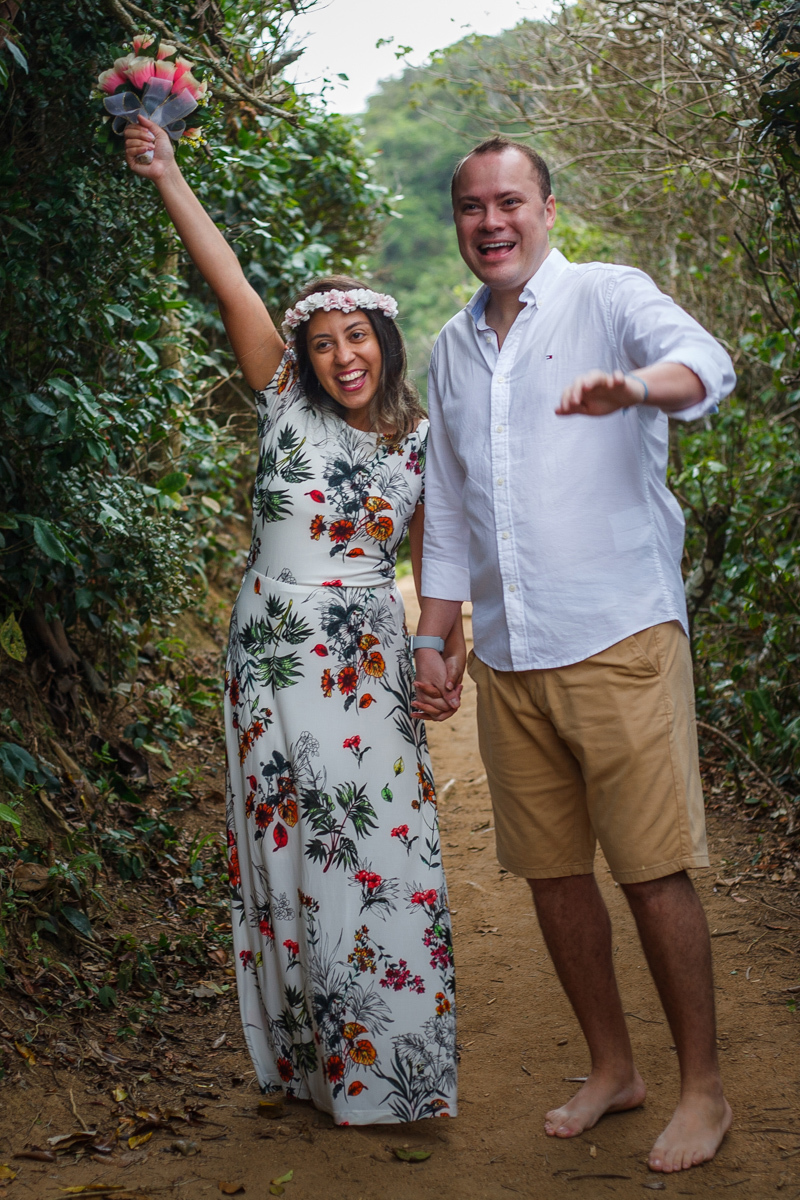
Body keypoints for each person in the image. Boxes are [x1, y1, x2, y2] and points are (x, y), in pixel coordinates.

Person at [122, 115, 464, 1125]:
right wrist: (168, 170)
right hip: (271, 650)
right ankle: (318, 1070)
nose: (339, 355)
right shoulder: (282, 399)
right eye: (322, 343)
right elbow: (222, 271)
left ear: (383, 340)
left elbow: (439, 563)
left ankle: (400, 1071)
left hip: (365, 661)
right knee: (289, 854)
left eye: (354, 337)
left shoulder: (420, 439)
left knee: (384, 846)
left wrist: (442, 650)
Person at [412, 136, 736, 1172]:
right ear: (456, 221)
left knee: (650, 873)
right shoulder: (449, 348)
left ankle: (701, 1089)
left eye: (509, 201)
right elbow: (449, 510)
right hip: (509, 655)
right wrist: (436, 635)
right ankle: (612, 1068)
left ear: (546, 208)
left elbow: (708, 367)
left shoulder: (607, 294)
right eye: (471, 207)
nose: (490, 222)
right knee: (552, 877)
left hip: (618, 635)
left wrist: (637, 389)